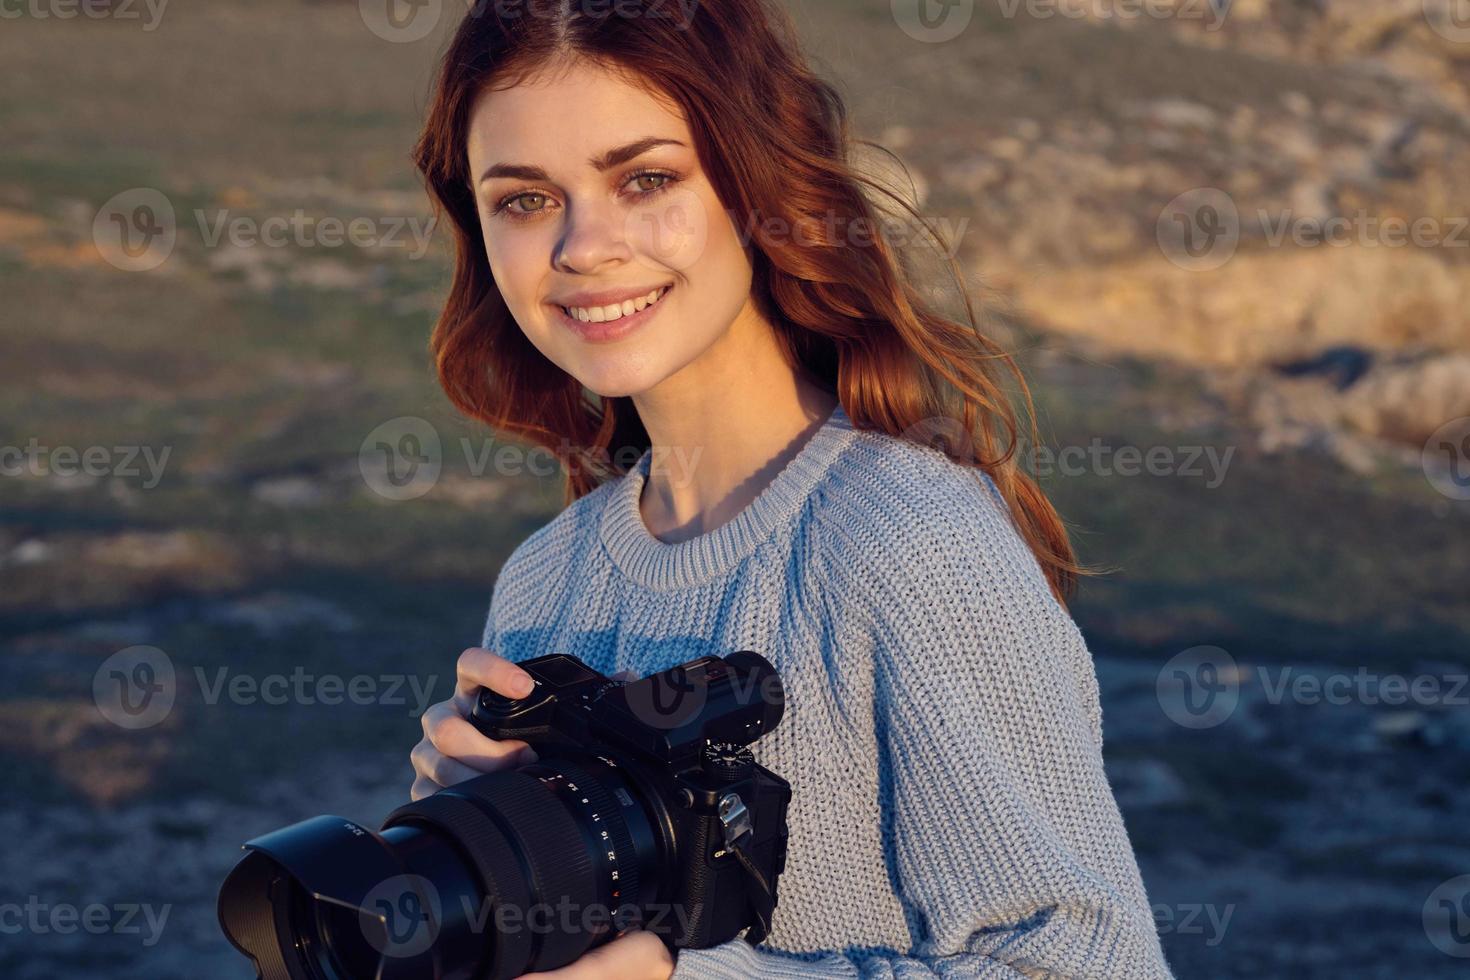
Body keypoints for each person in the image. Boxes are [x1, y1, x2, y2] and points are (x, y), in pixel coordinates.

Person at [407, 1, 1175, 976]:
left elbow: (1092, 963)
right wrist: (478, 842)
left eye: (646, 179)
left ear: (756, 181)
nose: (582, 247)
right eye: (523, 199)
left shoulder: (906, 543)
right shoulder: (544, 577)